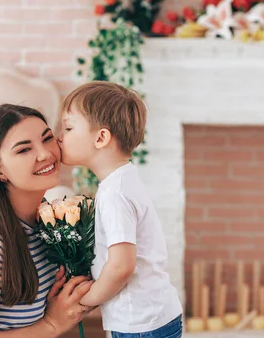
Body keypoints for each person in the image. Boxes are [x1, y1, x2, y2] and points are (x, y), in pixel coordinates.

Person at [0, 104, 93, 338]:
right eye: (24, 150)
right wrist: (51, 324)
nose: (45, 154)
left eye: (47, 139)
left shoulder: (43, 220)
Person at [57, 82, 183, 338]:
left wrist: (87, 301)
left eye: (68, 128)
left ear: (101, 138)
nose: (60, 137)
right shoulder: (120, 182)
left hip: (141, 324)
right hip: (148, 316)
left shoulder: (115, 193)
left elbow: (121, 266)